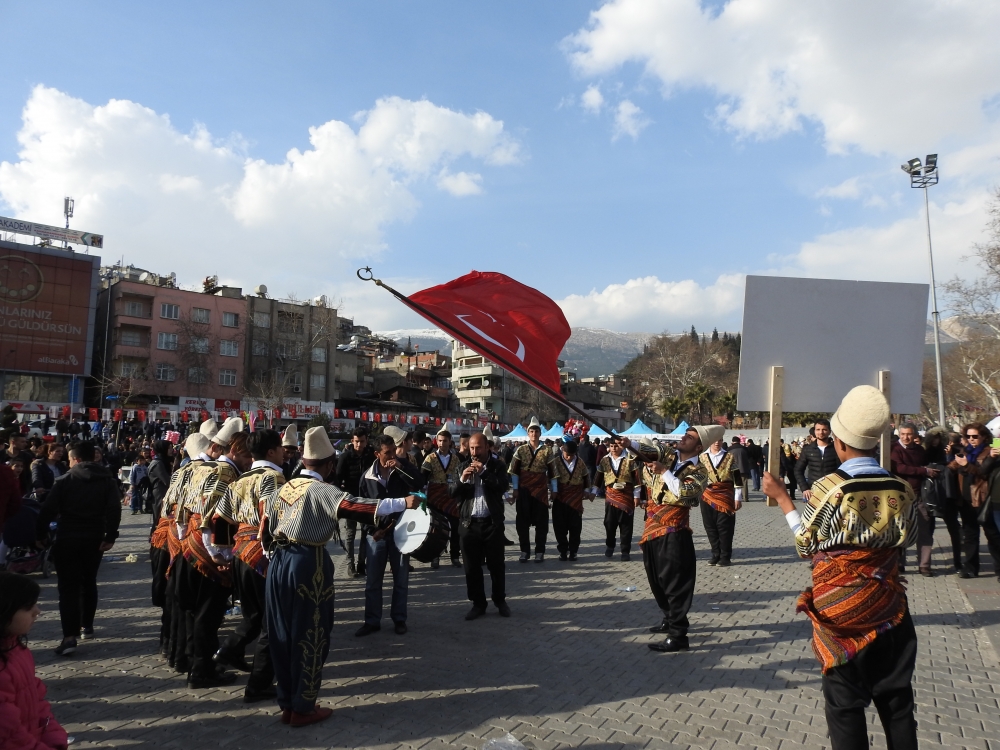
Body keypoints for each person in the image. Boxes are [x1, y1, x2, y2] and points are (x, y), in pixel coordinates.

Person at [762, 386, 917, 750]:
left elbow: (806, 545)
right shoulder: (900, 486)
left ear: (839, 443)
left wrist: (784, 499)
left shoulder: (830, 488)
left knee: (845, 708)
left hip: (842, 611)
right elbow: (906, 540)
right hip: (889, 607)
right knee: (897, 704)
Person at [262, 426, 420, 726]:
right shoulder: (323, 490)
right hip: (307, 563)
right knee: (312, 633)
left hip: (278, 563)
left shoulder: (283, 486)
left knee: (281, 634)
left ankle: (288, 702)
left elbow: (265, 524)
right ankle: (304, 707)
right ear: (330, 464)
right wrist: (402, 502)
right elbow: (355, 506)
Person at [174, 418, 250, 688]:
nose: (250, 461)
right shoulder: (226, 474)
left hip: (189, 549)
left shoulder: (200, 469)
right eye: (247, 455)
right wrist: (220, 556)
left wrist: (185, 540)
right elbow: (214, 518)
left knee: (197, 614)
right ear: (236, 450)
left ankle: (196, 663)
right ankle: (201, 671)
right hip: (208, 555)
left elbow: (181, 511)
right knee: (208, 615)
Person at [212, 428, 286, 703]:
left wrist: (224, 554)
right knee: (270, 624)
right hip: (261, 555)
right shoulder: (273, 478)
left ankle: (227, 651)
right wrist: (272, 550)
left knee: (252, 617)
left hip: (240, 554)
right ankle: (258, 684)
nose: (283, 454)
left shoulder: (240, 479)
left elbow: (220, 518)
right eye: (280, 449)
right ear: (271, 452)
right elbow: (271, 515)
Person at [36, 441, 122, 656]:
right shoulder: (107, 480)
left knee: (67, 587)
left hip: (68, 537)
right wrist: (110, 535)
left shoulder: (65, 480)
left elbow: (47, 509)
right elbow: (114, 509)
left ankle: (69, 636)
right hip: (95, 537)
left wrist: (39, 535)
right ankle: (87, 626)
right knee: (89, 580)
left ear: (74, 459)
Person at [638, 426, 716, 653]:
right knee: (656, 578)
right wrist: (628, 445)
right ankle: (669, 617)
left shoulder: (700, 471)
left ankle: (678, 635)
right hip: (652, 527)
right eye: (685, 434)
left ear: (699, 447)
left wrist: (664, 472)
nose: (683, 438)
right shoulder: (668, 456)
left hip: (674, 530)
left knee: (674, 583)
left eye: (689, 437)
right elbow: (649, 449)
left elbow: (685, 493)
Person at [355, 435, 423, 637]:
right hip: (376, 536)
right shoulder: (367, 477)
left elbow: (418, 483)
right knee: (373, 581)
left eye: (394, 451)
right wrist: (370, 531)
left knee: (401, 579)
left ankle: (399, 618)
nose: (392, 455)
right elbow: (361, 509)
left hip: (400, 532)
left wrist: (401, 469)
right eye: (387, 453)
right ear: (377, 454)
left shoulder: (402, 466)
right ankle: (372, 621)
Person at [0, 572, 69, 750]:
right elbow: (8, 736)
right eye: (29, 607)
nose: (37, 611)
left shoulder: (17, 649)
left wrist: (53, 735)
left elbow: (37, 698)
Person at [453, 432, 511, 620]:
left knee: (496, 566)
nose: (475, 452)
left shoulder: (498, 465)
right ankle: (478, 604)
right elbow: (452, 492)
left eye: (478, 448)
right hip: (469, 524)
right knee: (471, 568)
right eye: (471, 448)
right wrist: (462, 479)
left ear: (488, 447)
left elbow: (502, 486)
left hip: (491, 523)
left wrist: (484, 473)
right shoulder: (461, 466)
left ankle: (500, 600)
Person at [949, 422, 1000, 579]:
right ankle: (970, 568)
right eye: (968, 436)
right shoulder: (966, 451)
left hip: (983, 499)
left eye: (975, 436)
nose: (971, 439)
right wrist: (950, 457)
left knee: (992, 535)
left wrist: (966, 465)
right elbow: (951, 467)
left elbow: (982, 472)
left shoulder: (989, 452)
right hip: (965, 500)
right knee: (970, 535)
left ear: (983, 437)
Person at [890, 422, 940, 576]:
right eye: (903, 434)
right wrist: (924, 471)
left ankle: (924, 565)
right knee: (899, 531)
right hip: (900, 496)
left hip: (919, 496)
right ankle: (899, 564)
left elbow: (927, 465)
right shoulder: (894, 449)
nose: (906, 437)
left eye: (909, 434)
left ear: (915, 435)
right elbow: (899, 468)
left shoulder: (920, 450)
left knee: (924, 531)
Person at [508, 417, 554, 562]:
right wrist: (515, 489)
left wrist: (554, 489)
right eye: (531, 431)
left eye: (536, 431)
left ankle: (539, 551)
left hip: (540, 491)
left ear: (540, 433)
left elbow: (553, 473)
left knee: (541, 523)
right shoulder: (520, 450)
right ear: (528, 433)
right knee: (522, 522)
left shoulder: (547, 451)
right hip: (524, 490)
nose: (534, 434)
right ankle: (524, 551)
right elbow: (514, 471)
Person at [334, 426, 375, 578]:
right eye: (356, 441)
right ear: (352, 441)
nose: (359, 445)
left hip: (366, 500)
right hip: (350, 500)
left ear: (366, 441)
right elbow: (338, 478)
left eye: (362, 441)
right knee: (350, 534)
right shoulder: (345, 457)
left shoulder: (371, 456)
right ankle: (350, 565)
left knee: (366, 532)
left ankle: (362, 563)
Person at [420, 427, 462, 569]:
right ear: (436, 442)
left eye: (445, 441)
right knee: (436, 529)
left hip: (451, 497)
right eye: (440, 441)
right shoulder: (430, 458)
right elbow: (423, 478)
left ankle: (455, 556)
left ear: (450, 442)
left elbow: (459, 478)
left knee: (455, 527)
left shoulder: (456, 459)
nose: (442, 443)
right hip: (435, 497)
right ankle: (435, 556)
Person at [595, 436, 641, 561]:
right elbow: (598, 477)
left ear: (620, 446)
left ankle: (625, 551)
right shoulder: (604, 460)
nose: (614, 448)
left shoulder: (630, 459)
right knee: (609, 523)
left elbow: (637, 479)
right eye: (611, 446)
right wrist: (593, 492)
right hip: (611, 496)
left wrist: (637, 496)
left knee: (626, 526)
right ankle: (610, 546)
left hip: (626, 497)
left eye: (616, 446)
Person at [699, 436, 743, 567]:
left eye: (719, 440)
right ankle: (715, 554)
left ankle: (725, 556)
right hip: (706, 495)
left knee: (724, 526)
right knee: (710, 526)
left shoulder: (729, 456)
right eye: (714, 440)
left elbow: (737, 477)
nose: (717, 442)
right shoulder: (702, 457)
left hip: (725, 494)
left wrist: (738, 497)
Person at [550, 440, 593, 561]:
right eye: (567, 454)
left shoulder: (580, 462)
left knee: (575, 527)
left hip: (576, 498)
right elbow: (550, 477)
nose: (569, 457)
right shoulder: (556, 462)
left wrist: (586, 490)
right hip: (560, 497)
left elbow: (586, 476)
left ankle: (573, 551)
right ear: (562, 450)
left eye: (572, 455)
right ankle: (563, 550)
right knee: (559, 526)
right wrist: (551, 490)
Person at [794, 419, 842, 500]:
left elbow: (843, 469)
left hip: (833, 491)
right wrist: (804, 488)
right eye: (818, 429)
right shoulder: (808, 449)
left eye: (824, 429)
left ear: (829, 431)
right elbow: (798, 470)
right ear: (814, 431)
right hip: (814, 491)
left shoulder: (836, 448)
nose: (821, 432)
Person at [128, 451, 150, 515]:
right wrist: (132, 483)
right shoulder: (135, 467)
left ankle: (140, 509)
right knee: (134, 497)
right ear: (137, 461)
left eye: (142, 460)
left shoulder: (145, 467)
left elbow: (147, 473)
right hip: (135, 484)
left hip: (142, 485)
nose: (141, 462)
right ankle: (133, 509)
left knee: (140, 497)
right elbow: (131, 475)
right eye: (140, 460)